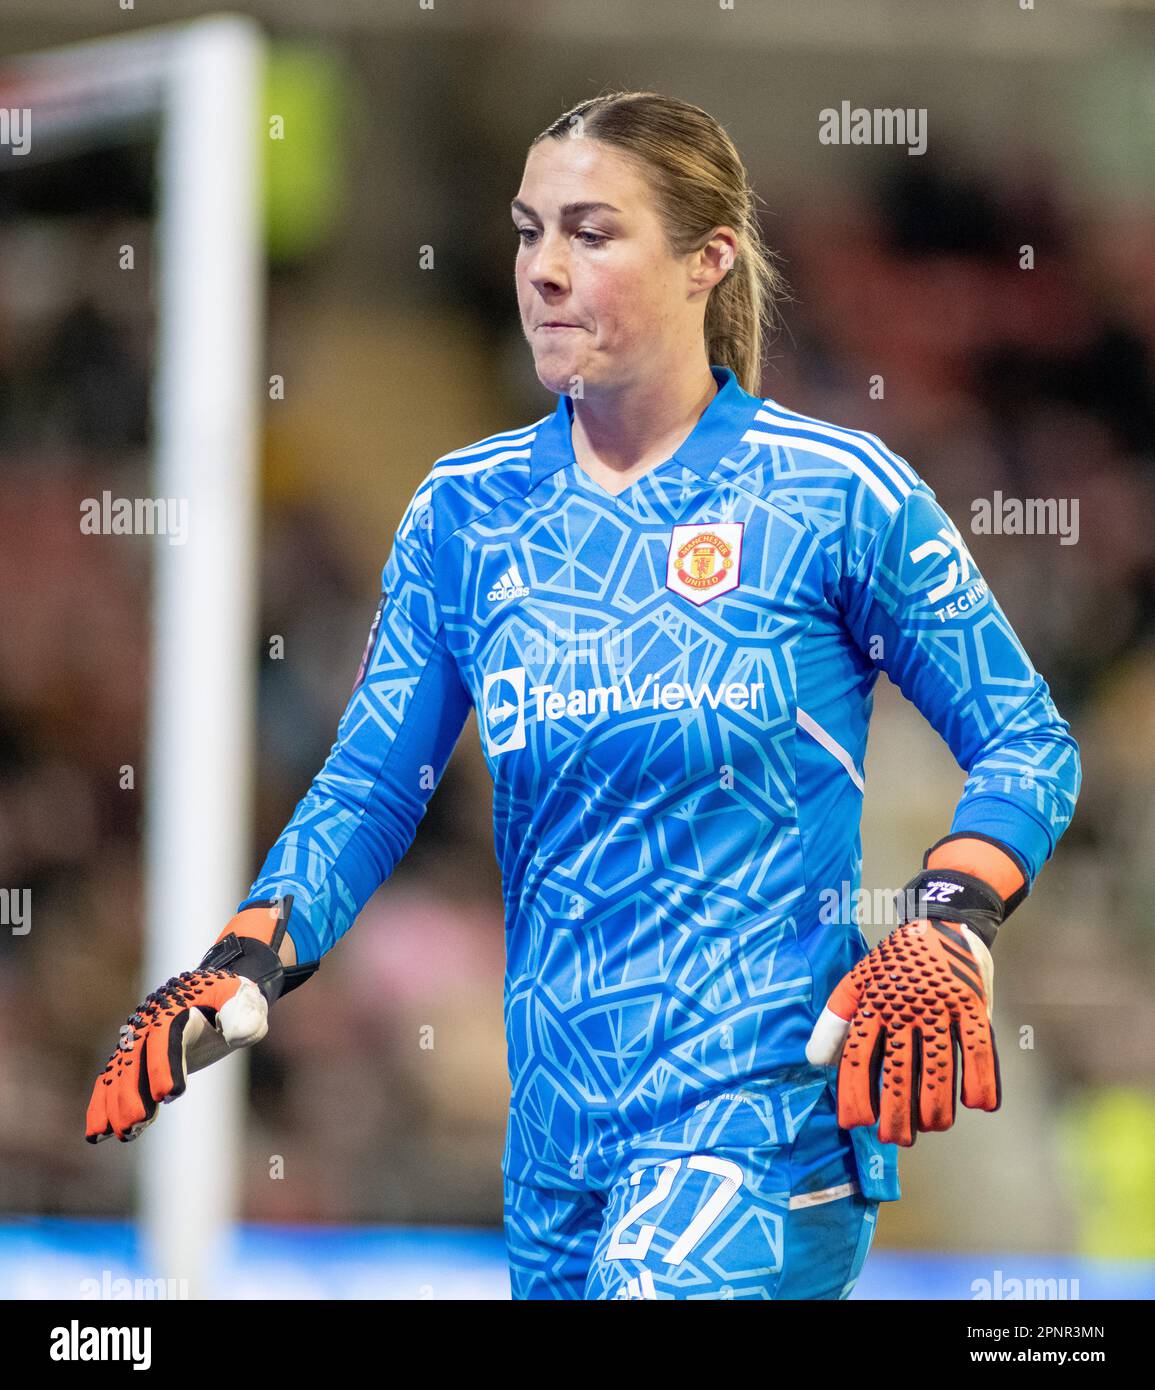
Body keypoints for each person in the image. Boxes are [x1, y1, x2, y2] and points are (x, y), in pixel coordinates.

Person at [86, 91, 1081, 1300]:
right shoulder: (466, 512)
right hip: (560, 1149)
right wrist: (247, 956)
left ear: (707, 260)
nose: (544, 271)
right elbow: (367, 786)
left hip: (762, 1128)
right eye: (526, 232)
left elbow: (1026, 740)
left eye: (592, 234)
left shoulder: (833, 494)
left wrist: (949, 911)